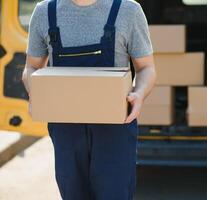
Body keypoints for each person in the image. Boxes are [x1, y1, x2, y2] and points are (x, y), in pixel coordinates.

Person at [22, 0, 156, 199]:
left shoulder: (128, 11)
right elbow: (31, 67)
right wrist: (37, 93)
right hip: (66, 129)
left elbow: (146, 68)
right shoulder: (45, 13)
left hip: (115, 128)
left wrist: (139, 94)